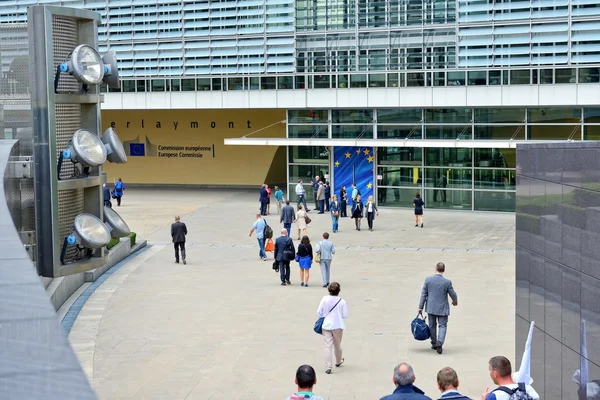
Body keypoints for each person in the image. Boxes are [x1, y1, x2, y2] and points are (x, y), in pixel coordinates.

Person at [418, 262, 458, 354]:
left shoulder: (428, 280)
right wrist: (455, 301)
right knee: (442, 325)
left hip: (431, 307)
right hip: (442, 307)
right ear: (443, 270)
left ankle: (434, 343)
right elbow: (453, 294)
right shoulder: (447, 282)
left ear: (435, 268)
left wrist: (420, 307)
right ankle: (440, 342)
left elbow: (424, 294)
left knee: (432, 325)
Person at [316, 282, 347, 374]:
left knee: (327, 346)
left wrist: (322, 317)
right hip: (338, 326)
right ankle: (338, 361)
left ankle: (328, 367)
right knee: (337, 345)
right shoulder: (342, 301)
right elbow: (345, 315)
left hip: (326, 325)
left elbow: (319, 312)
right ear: (339, 291)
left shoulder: (324, 299)